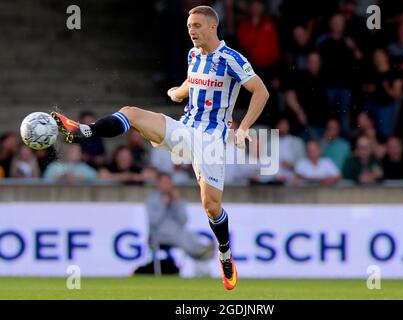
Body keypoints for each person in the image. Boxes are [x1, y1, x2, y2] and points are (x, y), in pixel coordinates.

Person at [50, 5, 269, 291]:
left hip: (211, 141)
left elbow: (261, 91)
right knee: (131, 113)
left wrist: (242, 128)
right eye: (190, 25)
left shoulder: (231, 58)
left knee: (211, 207)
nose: (192, 30)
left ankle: (225, 252)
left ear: (213, 27)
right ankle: (83, 132)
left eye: (198, 25)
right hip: (184, 130)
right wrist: (178, 92)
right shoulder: (193, 55)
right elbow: (193, 81)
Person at [146, 172, 214, 264]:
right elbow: (154, 222)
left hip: (176, 231)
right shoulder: (152, 200)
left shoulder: (177, 199)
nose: (167, 185)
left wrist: (177, 203)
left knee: (190, 234)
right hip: (159, 235)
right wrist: (162, 205)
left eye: (168, 182)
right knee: (180, 235)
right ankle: (198, 253)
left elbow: (183, 221)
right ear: (158, 184)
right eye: (164, 183)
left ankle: (200, 250)